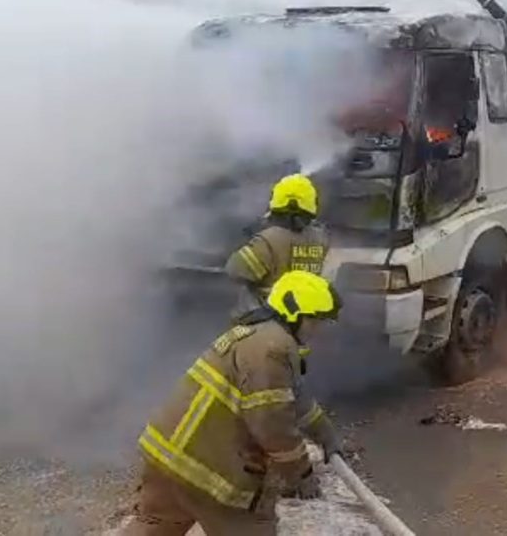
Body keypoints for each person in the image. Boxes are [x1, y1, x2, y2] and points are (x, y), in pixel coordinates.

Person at [126, 271, 346, 536]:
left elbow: (294, 399)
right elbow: (271, 421)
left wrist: (325, 434)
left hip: (168, 456)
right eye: (317, 321)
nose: (319, 331)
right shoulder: (273, 347)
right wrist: (299, 474)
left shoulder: (257, 336)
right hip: (207, 472)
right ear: (295, 314)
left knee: (154, 526)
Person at [225, 173, 330, 325]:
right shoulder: (320, 238)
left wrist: (252, 238)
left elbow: (234, 270)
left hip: (264, 320)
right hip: (302, 320)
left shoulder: (268, 241)